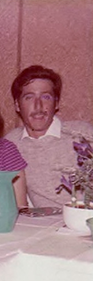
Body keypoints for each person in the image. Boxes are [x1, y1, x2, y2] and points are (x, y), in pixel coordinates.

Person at [6, 65, 93, 207]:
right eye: (29, 97)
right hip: (42, 226)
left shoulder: (83, 134)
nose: (38, 105)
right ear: (17, 105)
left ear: (56, 103)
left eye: (46, 97)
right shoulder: (11, 143)